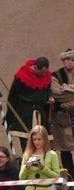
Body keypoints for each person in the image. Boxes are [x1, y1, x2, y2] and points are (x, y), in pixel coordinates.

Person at [6, 57, 53, 151]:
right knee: (26, 142)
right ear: (35, 67)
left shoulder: (47, 76)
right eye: (41, 72)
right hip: (25, 112)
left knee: (42, 141)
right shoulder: (22, 75)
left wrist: (50, 99)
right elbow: (13, 97)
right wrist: (9, 118)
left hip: (40, 112)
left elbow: (47, 93)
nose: (43, 74)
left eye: (45, 72)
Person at [51, 48, 74, 177]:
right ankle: (70, 176)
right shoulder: (56, 75)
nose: (70, 62)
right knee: (65, 150)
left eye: (72, 60)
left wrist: (65, 87)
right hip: (63, 117)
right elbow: (56, 94)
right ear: (63, 60)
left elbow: (61, 92)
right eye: (67, 59)